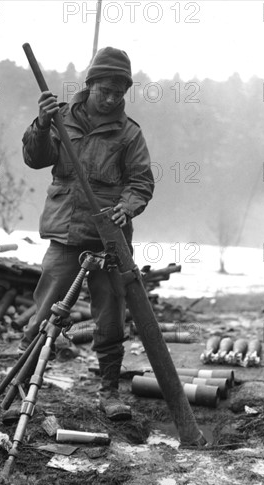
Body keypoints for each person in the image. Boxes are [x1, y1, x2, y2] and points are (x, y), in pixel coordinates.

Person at [20, 47, 155, 420]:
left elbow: (141, 182)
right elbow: (35, 158)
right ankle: (22, 387)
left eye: (119, 92)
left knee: (111, 317)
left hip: (110, 239)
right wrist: (42, 124)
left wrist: (126, 207)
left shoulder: (129, 134)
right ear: (90, 84)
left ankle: (109, 391)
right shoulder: (60, 117)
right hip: (66, 235)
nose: (111, 99)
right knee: (44, 312)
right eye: (104, 91)